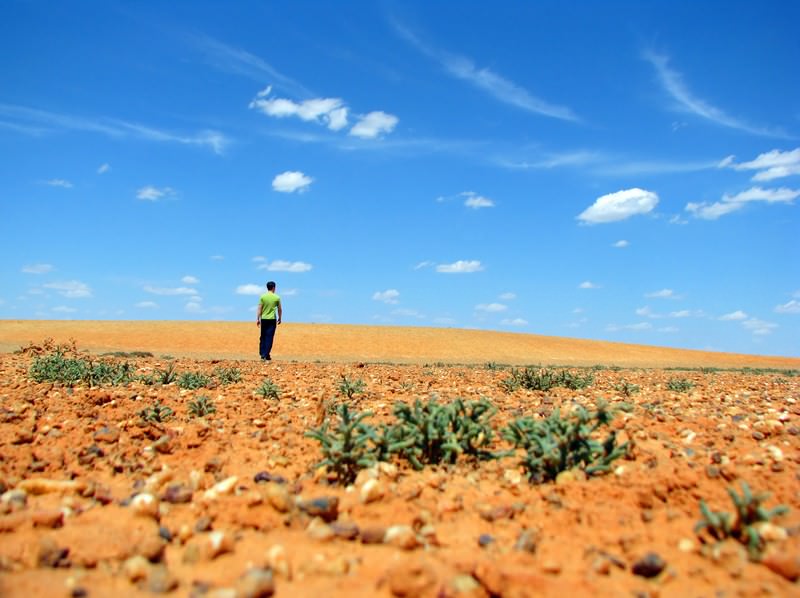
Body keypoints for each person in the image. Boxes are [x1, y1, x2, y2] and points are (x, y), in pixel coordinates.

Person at [256, 281, 282, 360]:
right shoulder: (277, 297)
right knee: (269, 337)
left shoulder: (263, 297)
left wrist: (258, 318)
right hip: (272, 319)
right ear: (274, 287)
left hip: (264, 319)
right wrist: (280, 318)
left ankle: (263, 354)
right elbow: (280, 309)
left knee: (263, 336)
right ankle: (266, 354)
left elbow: (259, 308)